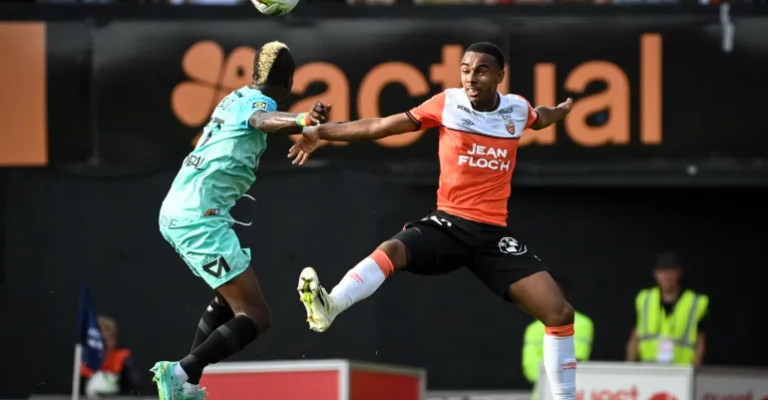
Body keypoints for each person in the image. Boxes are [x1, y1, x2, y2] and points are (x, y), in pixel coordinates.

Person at [290, 42, 578, 400]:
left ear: (500, 76)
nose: (470, 78)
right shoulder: (448, 103)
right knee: (392, 250)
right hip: (449, 224)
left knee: (560, 313)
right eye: (465, 70)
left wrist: (561, 110)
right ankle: (331, 305)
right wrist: (323, 133)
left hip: (492, 237)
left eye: (481, 70)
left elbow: (541, 117)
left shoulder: (516, 109)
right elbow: (380, 126)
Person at [152, 41, 329, 400]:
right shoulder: (260, 104)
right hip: (198, 219)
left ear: (254, 74)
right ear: (290, 81)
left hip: (180, 208)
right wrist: (302, 120)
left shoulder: (234, 97)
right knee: (256, 316)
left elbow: (254, 121)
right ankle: (180, 373)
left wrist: (299, 124)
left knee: (226, 299)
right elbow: (262, 121)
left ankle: (186, 384)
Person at [625, 252, 709, 366]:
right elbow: (635, 337)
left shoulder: (695, 303)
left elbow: (700, 341)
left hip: (681, 369)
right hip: (649, 368)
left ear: (679, 273)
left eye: (671, 271)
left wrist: (694, 370)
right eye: (662, 271)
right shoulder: (644, 300)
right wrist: (629, 367)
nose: (667, 276)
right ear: (655, 274)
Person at [523, 277, 593, 400]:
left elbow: (576, 360)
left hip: (573, 392)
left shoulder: (582, 323)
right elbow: (530, 368)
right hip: (541, 395)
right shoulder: (533, 328)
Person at [81, 315, 144, 396]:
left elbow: (135, 391)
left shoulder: (125, 361)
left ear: (113, 340)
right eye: (98, 340)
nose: (102, 345)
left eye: (106, 339)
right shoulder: (84, 364)